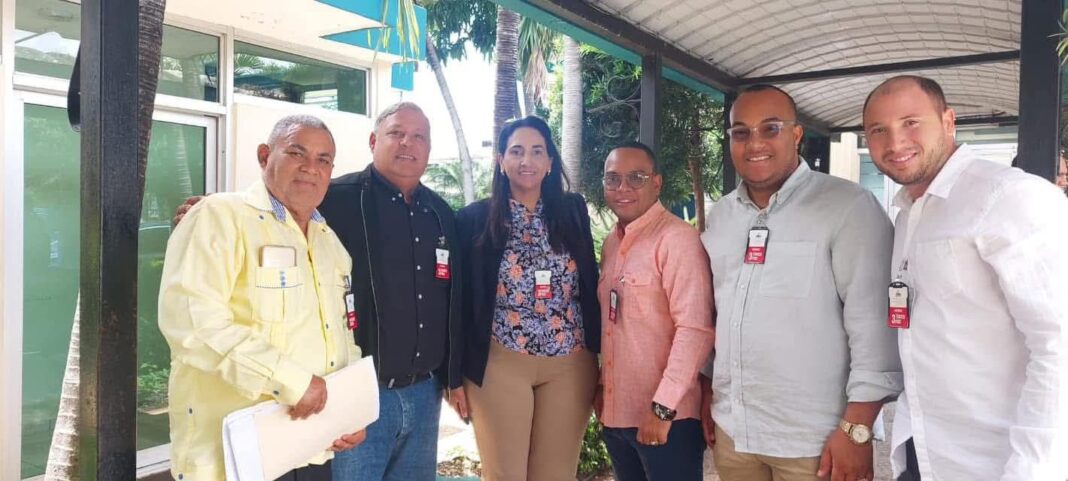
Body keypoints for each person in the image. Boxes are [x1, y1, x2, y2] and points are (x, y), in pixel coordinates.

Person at [863, 75, 1068, 481]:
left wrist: (1032, 469)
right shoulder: (908, 215)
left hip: (997, 463)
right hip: (923, 451)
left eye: (911, 122)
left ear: (948, 121)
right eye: (878, 130)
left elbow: (1058, 344)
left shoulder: (1009, 197)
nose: (895, 142)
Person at [699, 84, 903, 481]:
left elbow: (874, 327)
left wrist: (857, 429)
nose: (755, 143)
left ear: (796, 135)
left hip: (816, 442)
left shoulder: (848, 207)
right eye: (741, 132)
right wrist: (709, 389)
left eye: (770, 128)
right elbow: (717, 313)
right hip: (735, 434)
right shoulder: (722, 216)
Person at [158, 115, 365, 481]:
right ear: (265, 156)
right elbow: (193, 324)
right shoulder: (220, 216)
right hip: (234, 459)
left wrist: (350, 412)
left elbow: (342, 333)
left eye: (323, 159)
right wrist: (291, 381)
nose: (310, 167)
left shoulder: (328, 241)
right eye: (297, 153)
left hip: (312, 448)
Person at [320, 102, 464, 481]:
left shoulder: (440, 213)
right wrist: (219, 207)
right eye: (396, 133)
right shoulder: (335, 199)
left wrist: (452, 376)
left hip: (424, 394)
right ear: (373, 141)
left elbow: (452, 300)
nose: (407, 143)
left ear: (428, 149)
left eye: (418, 137)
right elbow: (279, 209)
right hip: (359, 395)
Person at [454, 116, 601, 481]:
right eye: (516, 151)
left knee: (556, 475)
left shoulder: (573, 211)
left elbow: (589, 282)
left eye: (537, 151)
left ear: (550, 161)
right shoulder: (474, 219)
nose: (527, 160)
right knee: (505, 475)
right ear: (501, 160)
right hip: (501, 361)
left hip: (570, 363)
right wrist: (453, 376)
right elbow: (459, 301)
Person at [595, 142, 714, 481]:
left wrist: (662, 408)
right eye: (613, 179)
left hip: (667, 420)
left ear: (657, 183)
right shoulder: (612, 243)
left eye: (636, 177)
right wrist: (602, 387)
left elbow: (695, 330)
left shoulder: (677, 239)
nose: (623, 188)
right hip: (617, 416)